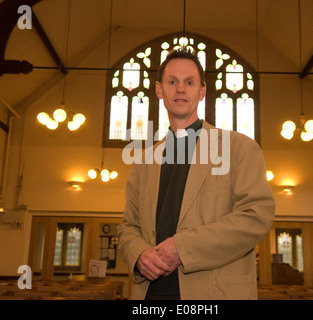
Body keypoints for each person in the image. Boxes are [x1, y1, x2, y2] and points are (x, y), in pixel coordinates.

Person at [117, 48, 275, 300]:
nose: (180, 89)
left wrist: (182, 248)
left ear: (202, 91)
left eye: (189, 82)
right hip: (150, 295)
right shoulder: (143, 161)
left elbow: (255, 216)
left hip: (212, 294)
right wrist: (138, 254)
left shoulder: (238, 147)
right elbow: (128, 227)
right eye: (172, 82)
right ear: (159, 90)